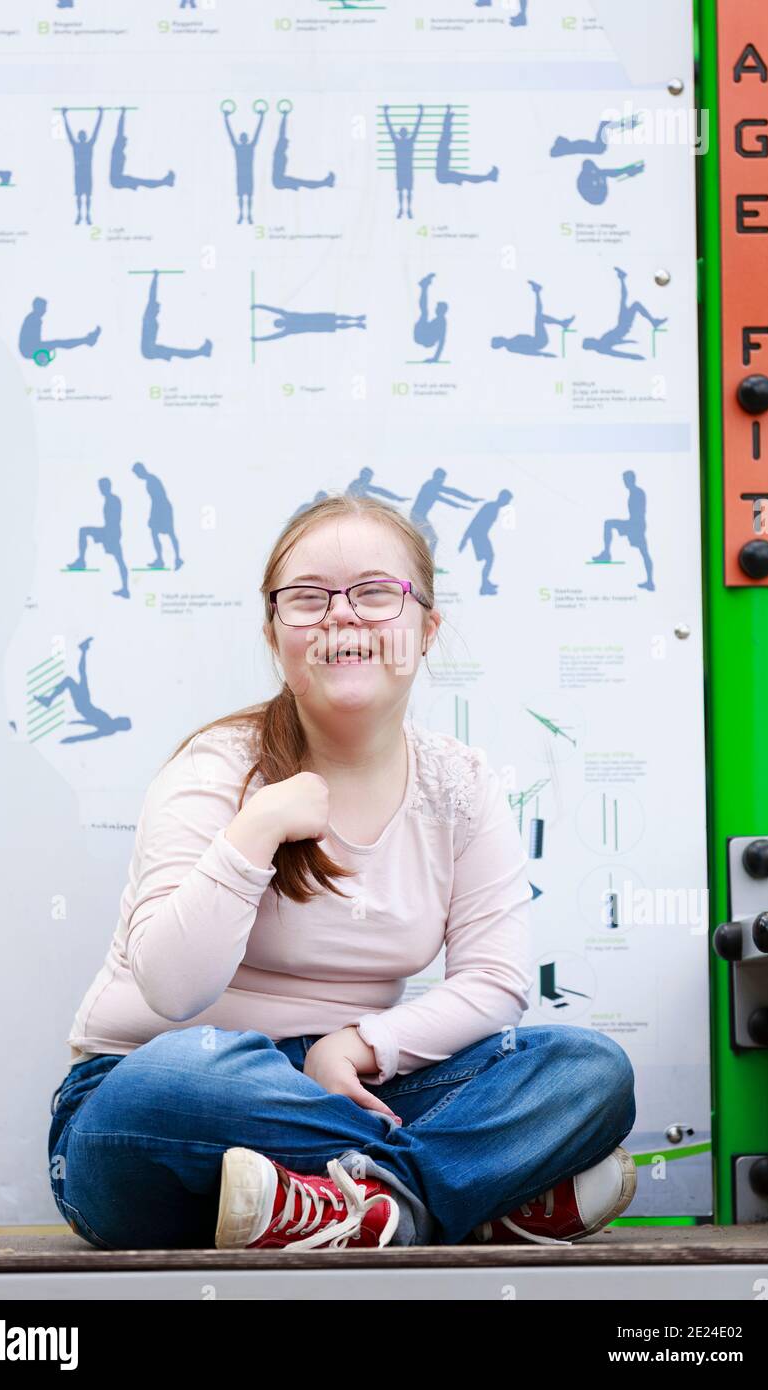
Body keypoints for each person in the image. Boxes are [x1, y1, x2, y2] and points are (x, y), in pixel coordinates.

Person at [47, 492, 637, 1251]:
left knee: (587, 1070)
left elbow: (494, 983)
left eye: (374, 593)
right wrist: (254, 830)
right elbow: (171, 988)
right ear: (273, 633)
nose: (341, 616)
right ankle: (448, 1196)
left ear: (426, 628)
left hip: (358, 1084)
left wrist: (357, 1046)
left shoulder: (459, 784)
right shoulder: (214, 769)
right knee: (167, 1086)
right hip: (180, 1109)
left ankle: (351, 1209)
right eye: (307, 598)